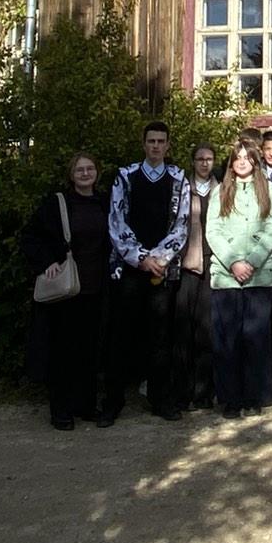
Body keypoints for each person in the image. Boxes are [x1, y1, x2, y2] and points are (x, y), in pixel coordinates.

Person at [22, 152, 114, 430]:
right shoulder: (58, 203)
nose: (85, 174)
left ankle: (85, 404)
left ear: (97, 172)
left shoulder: (104, 201)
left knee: (90, 349)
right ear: (71, 174)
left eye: (90, 169)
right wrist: (47, 262)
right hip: (67, 289)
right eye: (79, 170)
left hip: (96, 286)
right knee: (63, 350)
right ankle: (61, 409)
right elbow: (30, 236)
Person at [108, 122, 191, 421]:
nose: (156, 146)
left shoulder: (179, 179)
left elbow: (182, 225)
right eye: (151, 141)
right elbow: (116, 221)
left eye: (161, 141)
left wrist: (159, 258)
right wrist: (141, 257)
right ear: (143, 144)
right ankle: (112, 401)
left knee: (161, 338)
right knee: (121, 335)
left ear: (168, 145)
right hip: (131, 269)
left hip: (162, 270)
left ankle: (160, 399)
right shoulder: (125, 176)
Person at [204, 138, 272, 417]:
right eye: (237, 158)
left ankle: (254, 395)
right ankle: (230, 398)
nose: (241, 162)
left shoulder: (268, 189)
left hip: (259, 276)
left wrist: (252, 261)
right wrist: (233, 262)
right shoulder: (220, 191)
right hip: (226, 278)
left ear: (254, 161)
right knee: (228, 340)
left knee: (255, 337)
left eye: (247, 157)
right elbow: (213, 230)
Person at [178, 144, 219, 410]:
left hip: (212, 263)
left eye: (209, 159)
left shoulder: (221, 189)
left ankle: (204, 391)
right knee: (184, 329)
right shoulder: (182, 188)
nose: (204, 163)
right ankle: (183, 391)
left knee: (207, 329)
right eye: (200, 159)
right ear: (192, 162)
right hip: (186, 265)